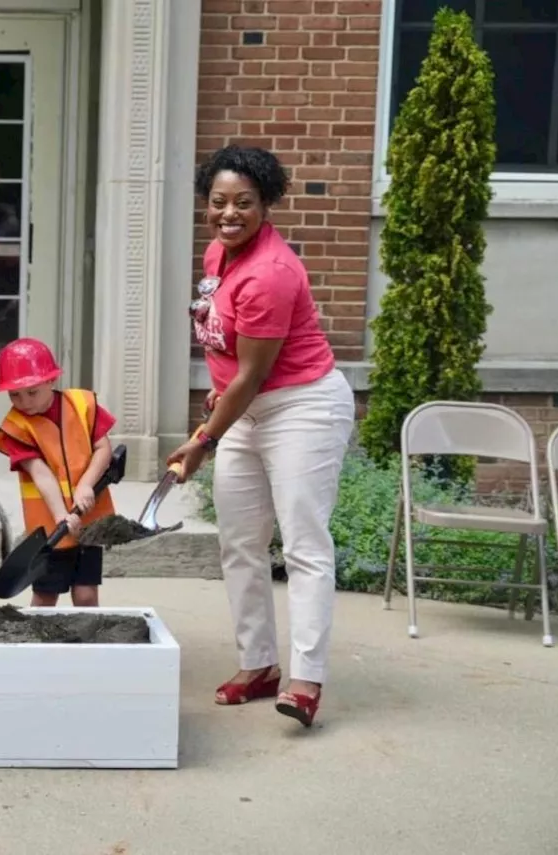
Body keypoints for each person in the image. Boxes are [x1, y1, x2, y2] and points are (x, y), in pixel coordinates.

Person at [166, 144, 355, 728]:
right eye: (218, 202)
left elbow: (255, 372)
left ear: (265, 204)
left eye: (243, 203)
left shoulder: (270, 272)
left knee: (303, 545)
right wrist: (219, 396)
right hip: (244, 409)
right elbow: (228, 350)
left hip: (303, 408)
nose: (229, 213)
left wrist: (202, 439)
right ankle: (258, 664)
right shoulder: (218, 255)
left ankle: (305, 680)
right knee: (240, 543)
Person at [0, 338, 117, 607]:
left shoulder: (82, 404)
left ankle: (87, 647)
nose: (24, 402)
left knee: (86, 594)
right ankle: (38, 647)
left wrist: (86, 485)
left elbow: (103, 448)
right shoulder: (15, 427)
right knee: (46, 596)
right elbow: (40, 472)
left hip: (89, 517)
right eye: (14, 395)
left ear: (51, 381)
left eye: (32, 392)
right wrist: (61, 517)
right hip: (50, 525)